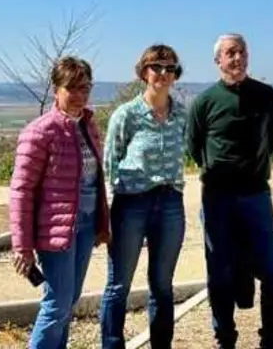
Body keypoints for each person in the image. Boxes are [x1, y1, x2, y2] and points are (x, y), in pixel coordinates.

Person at [187, 33, 273, 349]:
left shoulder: (266, 95)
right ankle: (224, 337)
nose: (237, 57)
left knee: (271, 272)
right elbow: (195, 145)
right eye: (230, 53)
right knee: (220, 272)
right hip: (217, 199)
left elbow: (272, 137)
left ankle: (271, 337)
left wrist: (252, 168)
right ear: (218, 60)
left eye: (242, 51)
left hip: (257, 195)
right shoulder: (204, 102)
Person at [8, 55, 111, 349]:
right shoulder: (39, 132)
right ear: (57, 89)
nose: (79, 95)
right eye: (72, 88)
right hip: (55, 229)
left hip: (86, 224)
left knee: (69, 300)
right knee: (57, 303)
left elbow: (95, 180)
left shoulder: (89, 127)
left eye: (85, 88)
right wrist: (22, 245)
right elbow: (21, 191)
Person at [99, 44, 189, 349]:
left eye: (169, 68)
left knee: (162, 286)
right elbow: (109, 163)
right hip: (131, 204)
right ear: (144, 72)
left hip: (170, 204)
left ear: (176, 74)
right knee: (118, 285)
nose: (163, 73)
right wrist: (108, 209)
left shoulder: (182, 115)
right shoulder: (127, 115)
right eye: (156, 67)